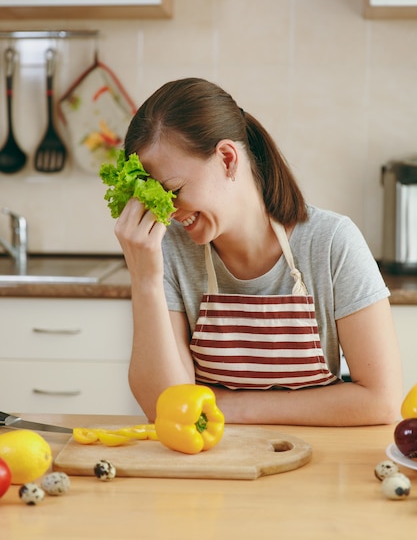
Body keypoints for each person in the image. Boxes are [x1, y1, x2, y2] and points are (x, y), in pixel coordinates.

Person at [115, 77, 402, 426]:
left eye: (173, 190)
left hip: (318, 460)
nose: (168, 210)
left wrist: (232, 407)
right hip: (213, 463)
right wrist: (145, 280)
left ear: (227, 158)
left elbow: (382, 400)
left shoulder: (331, 243)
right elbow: (166, 408)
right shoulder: (169, 250)